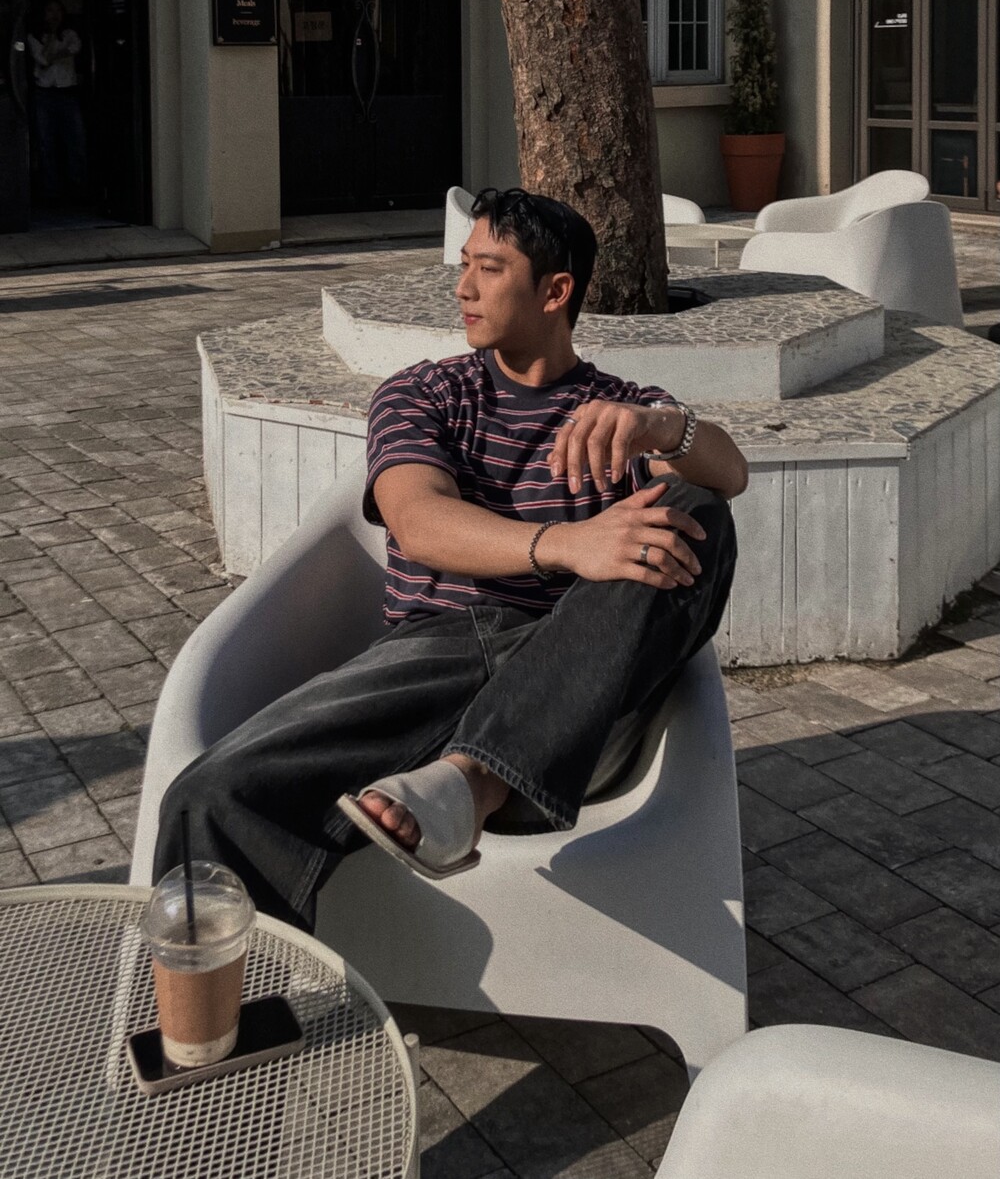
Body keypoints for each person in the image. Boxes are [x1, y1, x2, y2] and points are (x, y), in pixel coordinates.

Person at [153, 187, 748, 931]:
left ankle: (472, 781)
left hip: (579, 678)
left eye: (489, 269)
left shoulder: (618, 410)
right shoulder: (425, 393)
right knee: (207, 798)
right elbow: (419, 520)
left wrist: (662, 427)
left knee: (699, 509)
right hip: (436, 659)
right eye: (463, 265)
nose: (463, 287)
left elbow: (730, 474)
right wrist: (568, 543)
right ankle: (233, 1013)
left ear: (555, 291)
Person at [27, 0, 87, 202]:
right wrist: (52, 40)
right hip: (44, 93)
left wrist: (53, 55)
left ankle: (78, 187)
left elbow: (74, 48)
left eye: (58, 11)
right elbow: (43, 60)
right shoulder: (33, 37)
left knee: (76, 141)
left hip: (67, 92)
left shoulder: (70, 34)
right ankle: (51, 190)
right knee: (46, 143)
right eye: (50, 11)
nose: (54, 15)